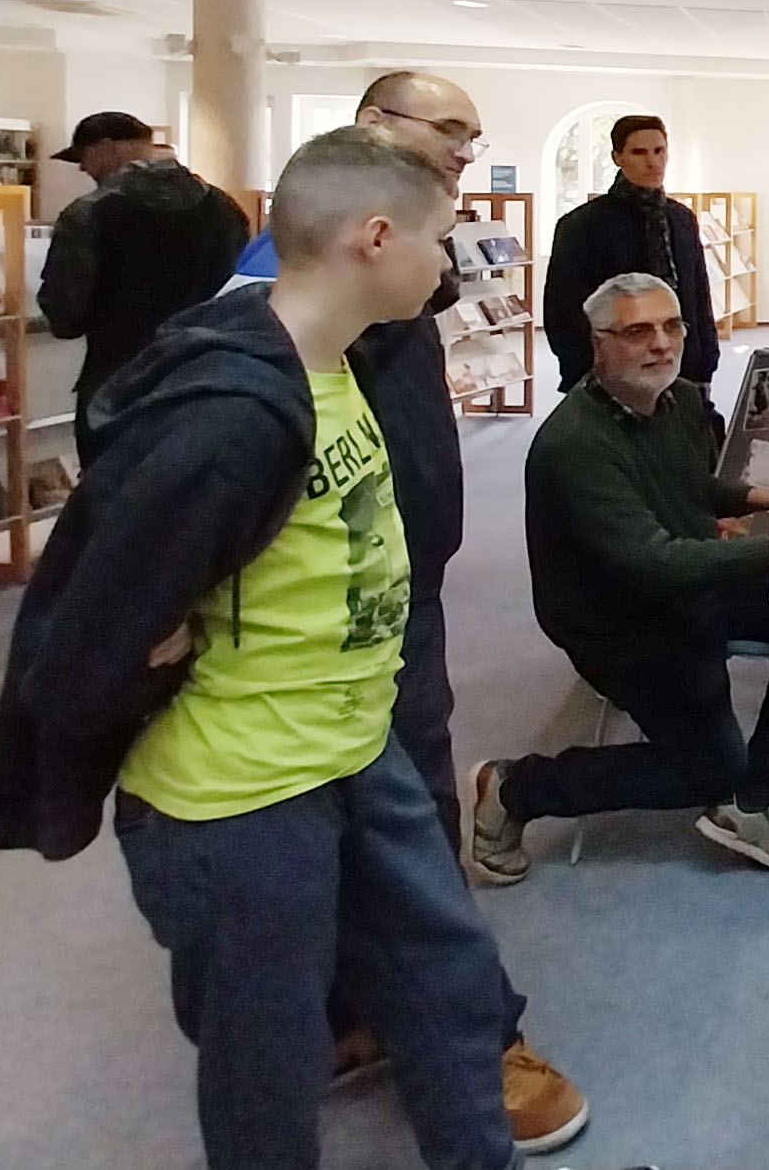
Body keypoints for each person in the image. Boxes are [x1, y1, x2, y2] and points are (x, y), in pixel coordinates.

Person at [0, 129, 519, 1170]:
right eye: (438, 241)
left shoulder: (339, 360)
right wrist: (147, 649)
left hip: (353, 753)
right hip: (242, 795)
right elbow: (91, 620)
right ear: (374, 238)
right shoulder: (231, 415)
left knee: (449, 985)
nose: (448, 265)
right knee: (266, 1065)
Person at [226, 71, 588, 1153]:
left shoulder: (393, 278)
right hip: (326, 631)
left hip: (397, 594)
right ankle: (471, 1039)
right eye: (451, 132)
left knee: (381, 825)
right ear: (374, 130)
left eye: (476, 139)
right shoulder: (282, 295)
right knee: (409, 834)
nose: (468, 154)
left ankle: (366, 1009)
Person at [465, 273, 769, 879]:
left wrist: (762, 496)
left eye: (672, 326)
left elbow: (691, 486)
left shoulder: (676, 401)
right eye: (638, 331)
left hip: (688, 584)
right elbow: (652, 561)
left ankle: (752, 795)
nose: (661, 344)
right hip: (622, 624)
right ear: (599, 345)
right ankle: (515, 787)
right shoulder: (576, 445)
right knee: (706, 770)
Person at [37, 109, 249, 463]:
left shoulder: (89, 214)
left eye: (84, 157)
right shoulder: (225, 207)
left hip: (118, 391)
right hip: (209, 382)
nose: (83, 168)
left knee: (114, 489)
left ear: (107, 147)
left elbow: (65, 317)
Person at [539, 114, 718, 398]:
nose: (653, 162)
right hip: (613, 374)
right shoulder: (582, 225)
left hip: (683, 368)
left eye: (659, 151)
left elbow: (698, 294)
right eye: (639, 152)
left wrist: (706, 361)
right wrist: (588, 371)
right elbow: (563, 311)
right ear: (617, 157)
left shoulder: (681, 219)